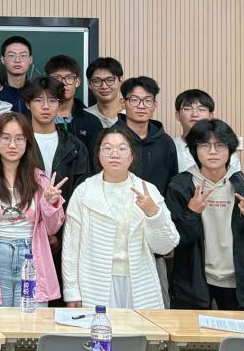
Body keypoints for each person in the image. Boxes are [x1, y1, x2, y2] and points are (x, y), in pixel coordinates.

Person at [62, 126, 179, 309]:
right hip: (95, 283)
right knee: (99, 326)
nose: (114, 154)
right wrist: (71, 291)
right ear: (98, 154)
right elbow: (71, 247)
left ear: (132, 156)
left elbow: (166, 246)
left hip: (140, 282)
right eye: (107, 148)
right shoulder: (84, 191)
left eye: (122, 149)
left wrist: (153, 213)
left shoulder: (147, 191)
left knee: (139, 327)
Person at [165, 119, 244, 311]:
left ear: (230, 149)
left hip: (236, 283)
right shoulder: (180, 186)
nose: (213, 151)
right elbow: (174, 241)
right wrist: (192, 213)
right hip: (192, 284)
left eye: (220, 145)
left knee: (241, 330)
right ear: (195, 149)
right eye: (205, 145)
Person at [0, 113, 66, 307]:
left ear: (28, 142)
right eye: (5, 138)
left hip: (32, 256)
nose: (12, 145)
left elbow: (52, 229)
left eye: (19, 139)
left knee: (32, 319)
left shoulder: (40, 180)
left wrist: (49, 203)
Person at [21, 77, 91, 205]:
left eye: (52, 100)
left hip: (65, 213)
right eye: (38, 100)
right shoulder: (17, 143)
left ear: (59, 104)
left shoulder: (75, 147)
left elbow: (82, 191)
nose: (46, 106)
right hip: (26, 214)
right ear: (28, 104)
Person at [114, 77, 179, 195]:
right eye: (134, 100)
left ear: (154, 104)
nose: (141, 106)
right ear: (123, 103)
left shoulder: (165, 142)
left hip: (157, 206)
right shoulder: (110, 138)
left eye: (147, 100)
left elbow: (172, 184)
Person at [172, 89, 242, 173]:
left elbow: (235, 177)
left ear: (210, 116)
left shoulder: (224, 148)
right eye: (187, 109)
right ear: (177, 115)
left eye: (201, 109)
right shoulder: (170, 147)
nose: (195, 114)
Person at [45, 55, 103, 153]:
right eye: (57, 78)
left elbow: (96, 157)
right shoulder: (36, 119)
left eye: (69, 78)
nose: (63, 83)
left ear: (77, 82)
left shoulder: (91, 121)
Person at [84, 57, 124, 128]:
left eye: (110, 80)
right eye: (97, 81)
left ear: (120, 81)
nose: (104, 86)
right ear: (89, 84)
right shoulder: (83, 117)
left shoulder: (132, 114)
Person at [0, 36, 33, 116]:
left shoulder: (37, 91)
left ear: (30, 59)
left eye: (23, 55)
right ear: (3, 59)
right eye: (11, 55)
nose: (17, 60)